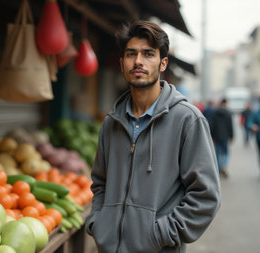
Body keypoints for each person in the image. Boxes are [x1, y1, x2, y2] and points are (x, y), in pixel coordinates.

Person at [85, 20, 221, 253]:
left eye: (148, 54)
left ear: (162, 63)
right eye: (131, 54)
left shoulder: (187, 120)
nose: (138, 61)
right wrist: (98, 223)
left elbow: (205, 196)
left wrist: (159, 234)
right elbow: (100, 184)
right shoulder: (110, 123)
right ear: (122, 63)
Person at [210, 98, 234, 178]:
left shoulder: (214, 112)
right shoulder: (228, 113)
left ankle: (218, 169)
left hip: (216, 136)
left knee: (217, 152)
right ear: (225, 103)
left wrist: (212, 136)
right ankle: (224, 166)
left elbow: (212, 125)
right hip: (225, 136)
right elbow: (230, 125)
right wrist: (232, 136)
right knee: (225, 152)